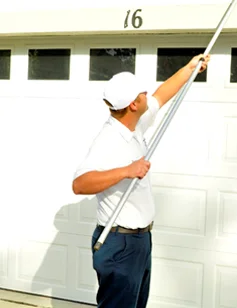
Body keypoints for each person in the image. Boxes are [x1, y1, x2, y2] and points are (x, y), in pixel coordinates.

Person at [72, 54, 210, 308]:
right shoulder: (109, 140)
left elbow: (162, 95)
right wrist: (127, 170)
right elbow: (80, 184)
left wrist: (189, 68)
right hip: (119, 244)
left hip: (139, 241)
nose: (148, 94)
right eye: (142, 93)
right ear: (134, 104)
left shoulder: (134, 123)